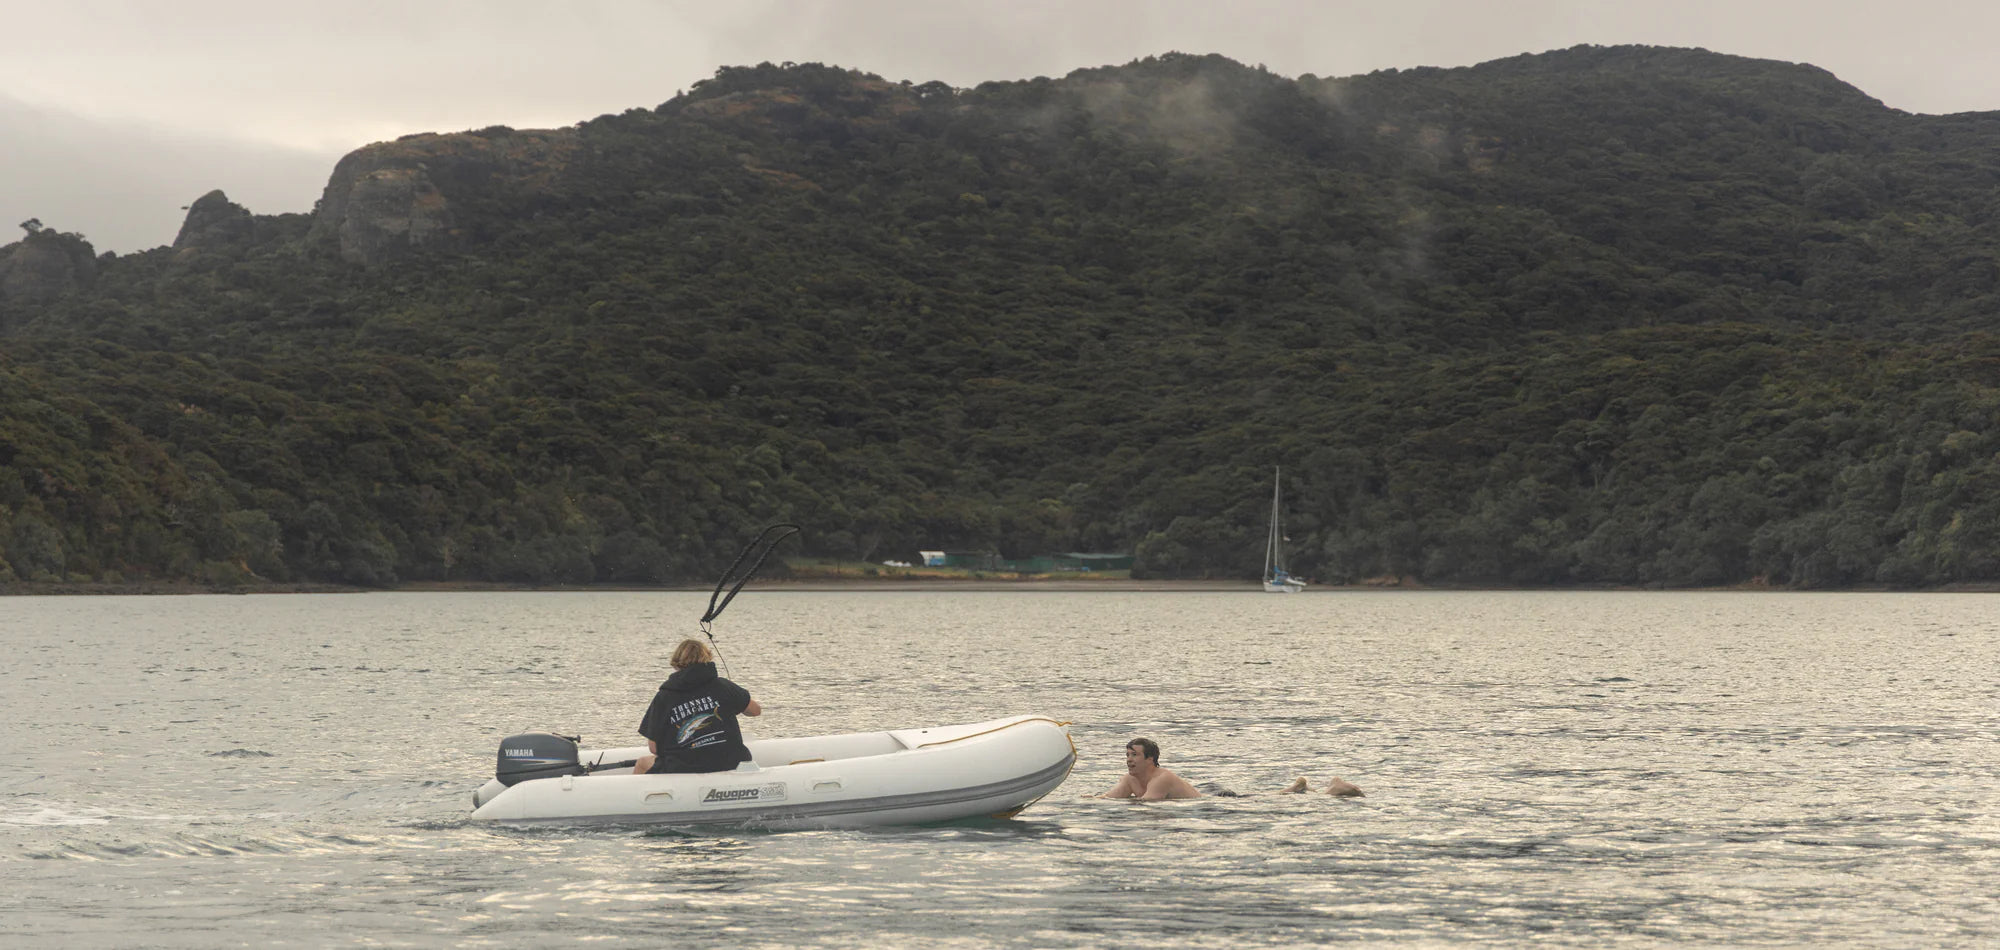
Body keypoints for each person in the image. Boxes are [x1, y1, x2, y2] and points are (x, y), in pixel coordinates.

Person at [633, 638, 762, 774]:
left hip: (684, 767)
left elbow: (653, 748)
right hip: (731, 761)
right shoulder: (722, 686)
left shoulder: (664, 697)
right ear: (706, 658)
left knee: (642, 763)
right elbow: (755, 711)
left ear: (677, 663)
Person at [1098, 737, 1364, 799]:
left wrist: (1126, 804)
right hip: (1207, 790)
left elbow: (1146, 805)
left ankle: (1331, 791)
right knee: (1264, 800)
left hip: (1216, 800)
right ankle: (1297, 788)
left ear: (1150, 760)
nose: (1129, 759)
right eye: (1127, 755)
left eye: (1134, 755)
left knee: (1259, 803)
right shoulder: (1129, 779)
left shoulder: (1161, 779)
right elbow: (1109, 799)